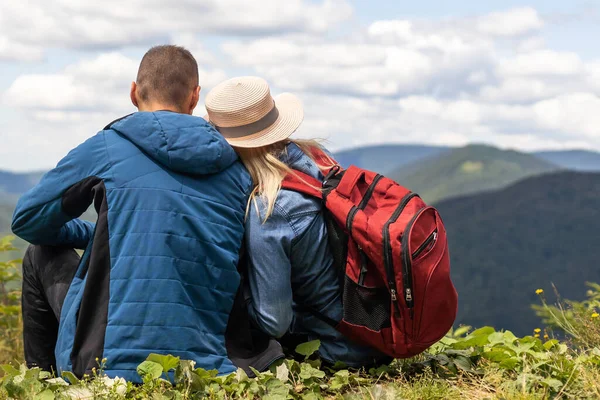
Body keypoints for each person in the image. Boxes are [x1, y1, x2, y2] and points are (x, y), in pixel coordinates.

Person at [12, 47, 282, 382]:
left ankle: (40, 384)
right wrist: (99, 234)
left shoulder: (107, 147)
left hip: (104, 363)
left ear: (133, 92)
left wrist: (90, 233)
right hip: (206, 368)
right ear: (195, 97)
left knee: (39, 253)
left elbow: (27, 220)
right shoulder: (236, 168)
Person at [204, 77, 389, 368]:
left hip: (338, 349)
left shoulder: (269, 208)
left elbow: (274, 322)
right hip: (372, 335)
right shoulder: (318, 163)